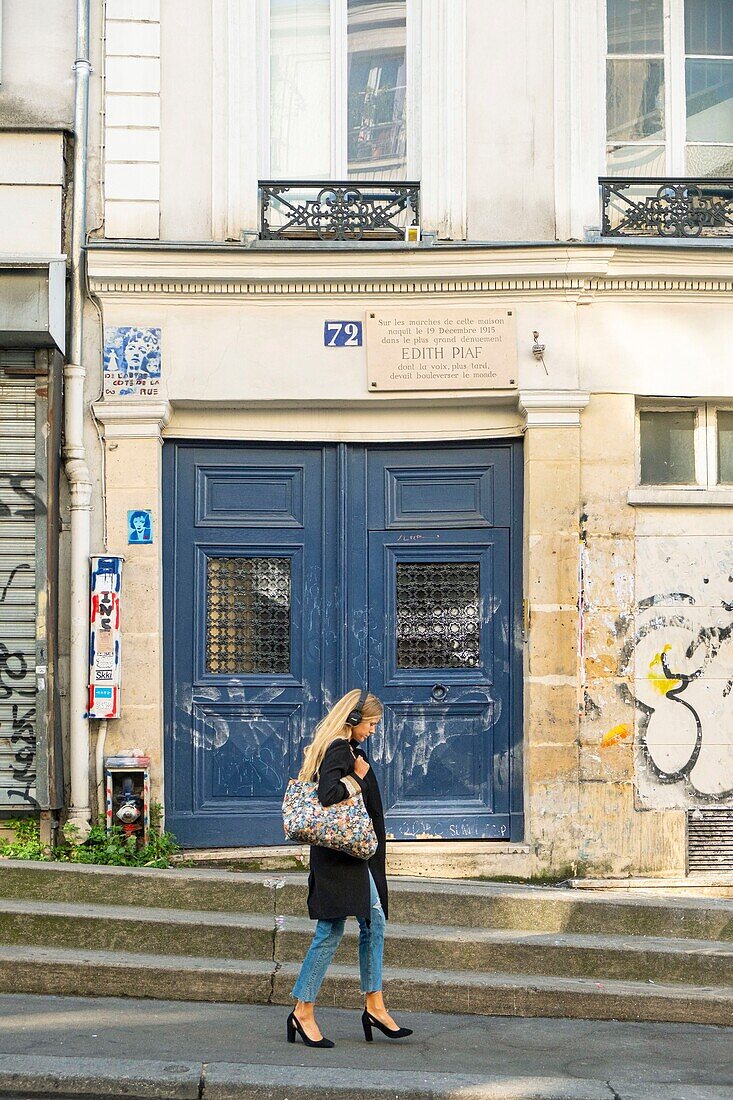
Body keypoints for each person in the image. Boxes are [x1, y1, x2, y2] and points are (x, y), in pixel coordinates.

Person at [287, 688, 413, 1049]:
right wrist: (358, 777)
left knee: (374, 921)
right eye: (371, 723)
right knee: (330, 930)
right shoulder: (341, 749)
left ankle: (374, 1004)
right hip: (341, 858)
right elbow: (328, 794)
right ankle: (303, 1009)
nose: (374, 730)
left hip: (351, 856)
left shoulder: (344, 748)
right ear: (354, 719)